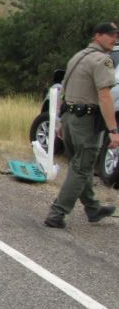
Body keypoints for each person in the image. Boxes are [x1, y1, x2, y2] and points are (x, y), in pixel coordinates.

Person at [44, 22, 119, 228]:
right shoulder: (103, 61)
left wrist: (61, 121)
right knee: (81, 167)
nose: (114, 39)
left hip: (70, 118)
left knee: (80, 164)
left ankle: (93, 209)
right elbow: (105, 97)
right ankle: (57, 214)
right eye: (110, 35)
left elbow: (64, 89)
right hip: (86, 122)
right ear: (97, 36)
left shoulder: (78, 56)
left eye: (116, 35)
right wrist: (113, 130)